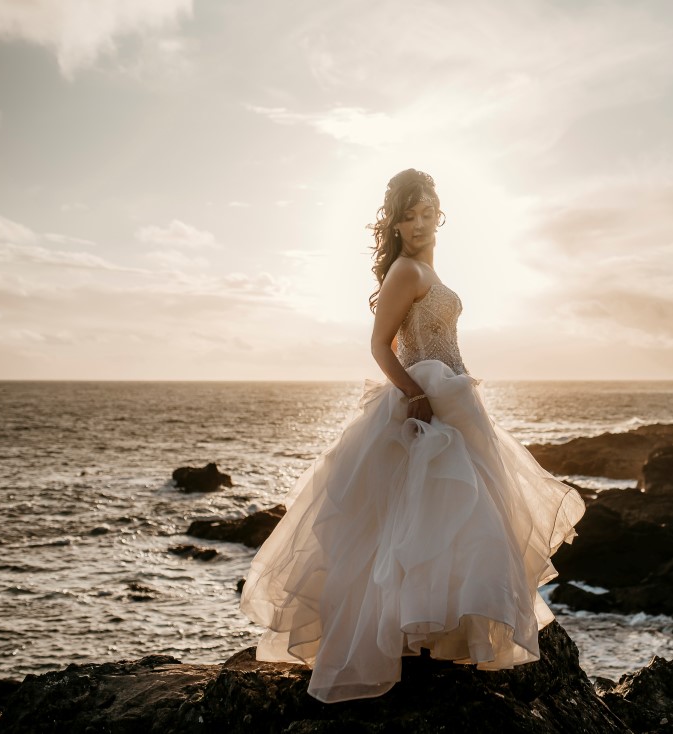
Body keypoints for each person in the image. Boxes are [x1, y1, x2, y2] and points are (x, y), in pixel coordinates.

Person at [239, 169, 586, 704]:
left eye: (428, 212)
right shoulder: (404, 270)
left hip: (452, 400)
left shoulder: (427, 268)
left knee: (452, 521)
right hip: (422, 401)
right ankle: (400, 640)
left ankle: (433, 640)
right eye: (409, 213)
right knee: (410, 522)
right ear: (394, 221)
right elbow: (380, 345)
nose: (420, 222)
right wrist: (414, 396)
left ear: (438, 214)